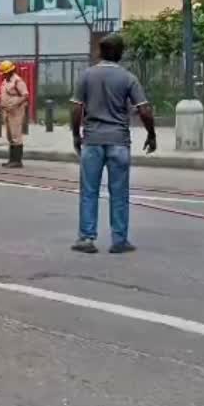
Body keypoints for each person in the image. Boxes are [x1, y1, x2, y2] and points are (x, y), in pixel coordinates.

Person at [69, 34, 156, 254]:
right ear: (120, 53)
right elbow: (144, 109)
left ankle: (86, 238)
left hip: (93, 140)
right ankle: (119, 240)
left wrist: (76, 135)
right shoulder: (128, 78)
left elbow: (76, 108)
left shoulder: (86, 76)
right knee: (119, 192)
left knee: (89, 191)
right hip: (119, 140)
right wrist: (151, 134)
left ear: (100, 52)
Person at [0, 61, 29, 168]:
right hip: (7, 111)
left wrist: (15, 104)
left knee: (16, 135)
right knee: (10, 136)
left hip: (16, 111)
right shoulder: (5, 81)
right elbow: (7, 95)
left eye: (5, 72)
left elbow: (25, 95)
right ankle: (11, 160)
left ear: (11, 71)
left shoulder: (18, 81)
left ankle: (17, 161)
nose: (4, 74)